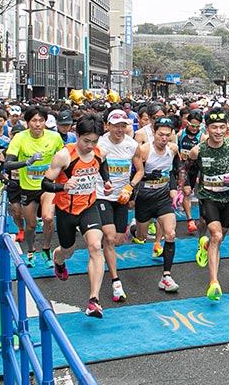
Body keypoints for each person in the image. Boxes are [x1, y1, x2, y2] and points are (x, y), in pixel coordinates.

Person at [41, 117, 112, 318]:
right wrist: (63, 186)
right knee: (68, 251)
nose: (90, 146)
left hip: (89, 207)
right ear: (77, 135)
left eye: (94, 141)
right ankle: (58, 259)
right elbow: (45, 184)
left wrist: (106, 181)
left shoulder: (100, 152)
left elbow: (103, 165)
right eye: (86, 141)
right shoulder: (64, 156)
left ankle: (94, 301)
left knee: (95, 247)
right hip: (66, 210)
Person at [185, 107, 229, 300]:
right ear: (206, 128)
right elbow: (187, 169)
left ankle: (205, 244)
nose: (218, 131)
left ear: (227, 127)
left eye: (222, 127)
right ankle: (214, 282)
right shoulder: (197, 150)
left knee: (220, 237)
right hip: (208, 196)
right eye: (214, 127)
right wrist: (186, 186)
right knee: (216, 235)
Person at [3, 106, 64, 266]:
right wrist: (27, 162)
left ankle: (45, 249)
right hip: (28, 188)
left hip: (47, 186)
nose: (37, 124)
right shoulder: (20, 138)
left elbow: (66, 158)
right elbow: (8, 164)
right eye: (34, 121)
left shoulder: (54, 137)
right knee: (30, 225)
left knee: (48, 218)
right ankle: (31, 250)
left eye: (41, 120)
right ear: (28, 122)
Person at [128, 116, 182, 292]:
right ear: (153, 133)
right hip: (144, 198)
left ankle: (166, 276)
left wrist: (174, 190)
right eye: (160, 135)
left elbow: (173, 172)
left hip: (162, 199)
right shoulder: (143, 150)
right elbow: (133, 176)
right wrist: (148, 178)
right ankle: (134, 228)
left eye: (167, 135)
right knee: (142, 238)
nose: (164, 139)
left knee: (171, 234)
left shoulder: (173, 149)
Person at [96, 108, 138, 302]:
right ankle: (115, 281)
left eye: (123, 126)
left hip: (121, 197)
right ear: (108, 126)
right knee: (110, 237)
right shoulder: (99, 143)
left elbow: (140, 171)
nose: (119, 130)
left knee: (119, 240)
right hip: (101, 195)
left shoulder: (132, 145)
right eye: (116, 126)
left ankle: (125, 234)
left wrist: (130, 187)